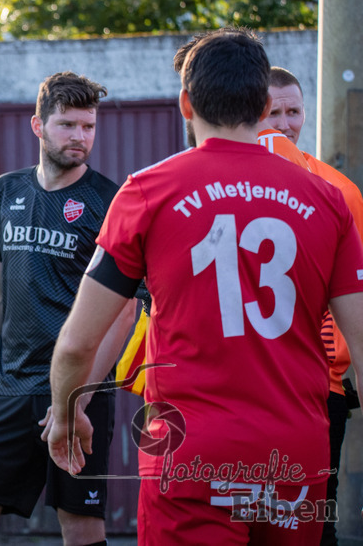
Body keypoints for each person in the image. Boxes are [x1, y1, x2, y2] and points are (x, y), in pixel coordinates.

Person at [47, 29, 363, 545]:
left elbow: (79, 341)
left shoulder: (148, 191)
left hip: (190, 453)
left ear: (186, 102)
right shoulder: (328, 198)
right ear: (264, 105)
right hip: (295, 455)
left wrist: (64, 414)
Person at [0, 72, 133, 546]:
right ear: (38, 125)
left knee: (80, 526)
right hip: (12, 390)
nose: (80, 137)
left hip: (79, 393)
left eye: (88, 127)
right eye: (68, 125)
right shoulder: (5, 192)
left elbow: (124, 311)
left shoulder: (109, 201)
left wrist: (79, 399)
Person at [259, 65, 363, 546]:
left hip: (322, 383)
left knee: (315, 510)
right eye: (272, 111)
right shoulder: (231, 185)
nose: (284, 123)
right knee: (252, 509)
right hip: (251, 378)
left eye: (294, 111)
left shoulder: (341, 191)